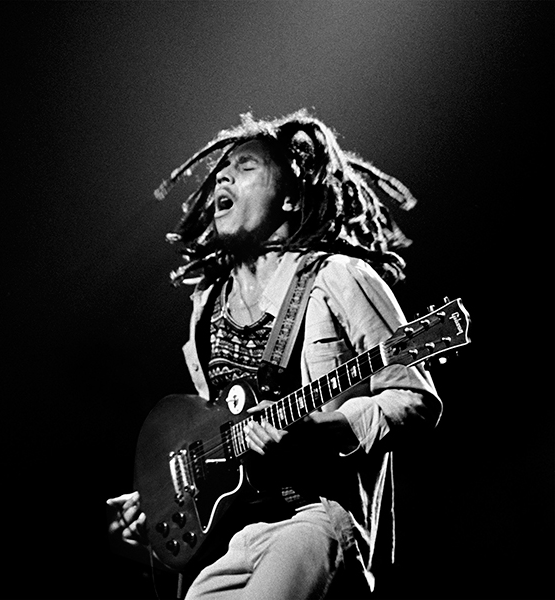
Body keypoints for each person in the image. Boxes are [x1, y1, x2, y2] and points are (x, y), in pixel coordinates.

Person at [107, 110, 442, 599]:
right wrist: (160, 499)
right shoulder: (207, 306)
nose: (222, 174)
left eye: (245, 167)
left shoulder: (338, 278)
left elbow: (414, 398)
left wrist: (324, 430)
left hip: (313, 514)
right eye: (221, 170)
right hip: (230, 538)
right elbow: (216, 435)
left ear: (288, 197)